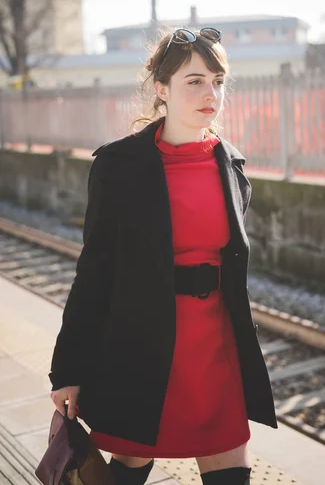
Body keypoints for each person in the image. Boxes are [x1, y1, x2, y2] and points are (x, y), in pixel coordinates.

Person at [49, 27, 278, 485]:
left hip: (216, 349)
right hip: (144, 348)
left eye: (218, 80)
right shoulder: (119, 167)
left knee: (231, 467)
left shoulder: (231, 166)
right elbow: (94, 272)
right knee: (131, 464)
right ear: (162, 89)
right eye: (194, 81)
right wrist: (67, 370)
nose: (210, 92)